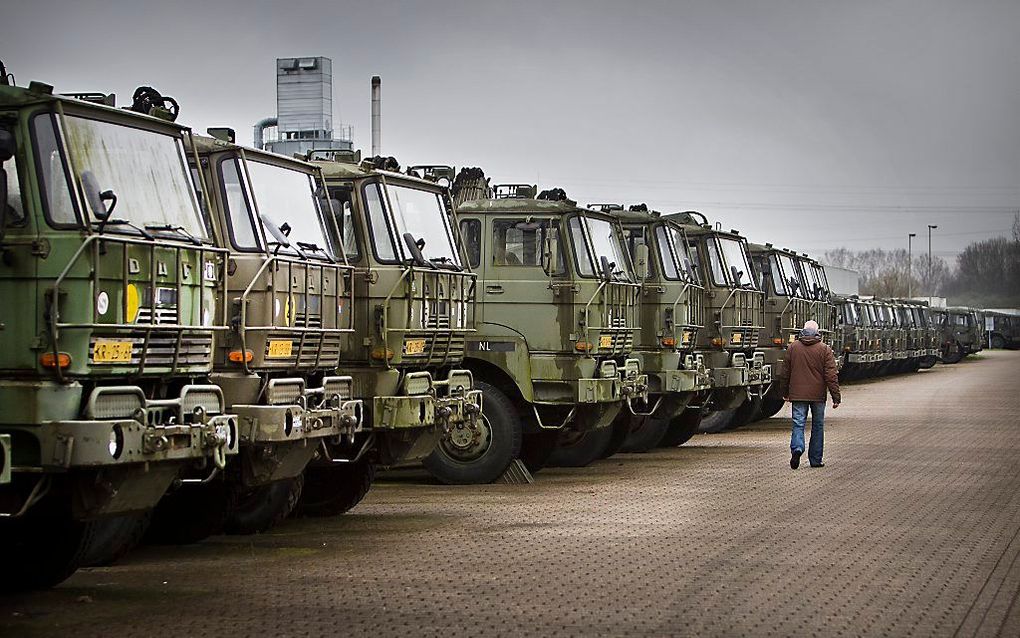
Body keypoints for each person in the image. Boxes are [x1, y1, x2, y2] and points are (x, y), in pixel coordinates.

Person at [779, 320, 841, 469]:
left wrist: (785, 392)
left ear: (803, 331)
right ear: (817, 332)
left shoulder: (793, 348)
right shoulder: (825, 349)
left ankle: (797, 448)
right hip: (818, 395)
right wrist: (836, 397)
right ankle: (815, 459)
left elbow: (785, 373)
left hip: (798, 394)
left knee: (798, 423)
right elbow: (831, 376)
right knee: (817, 426)